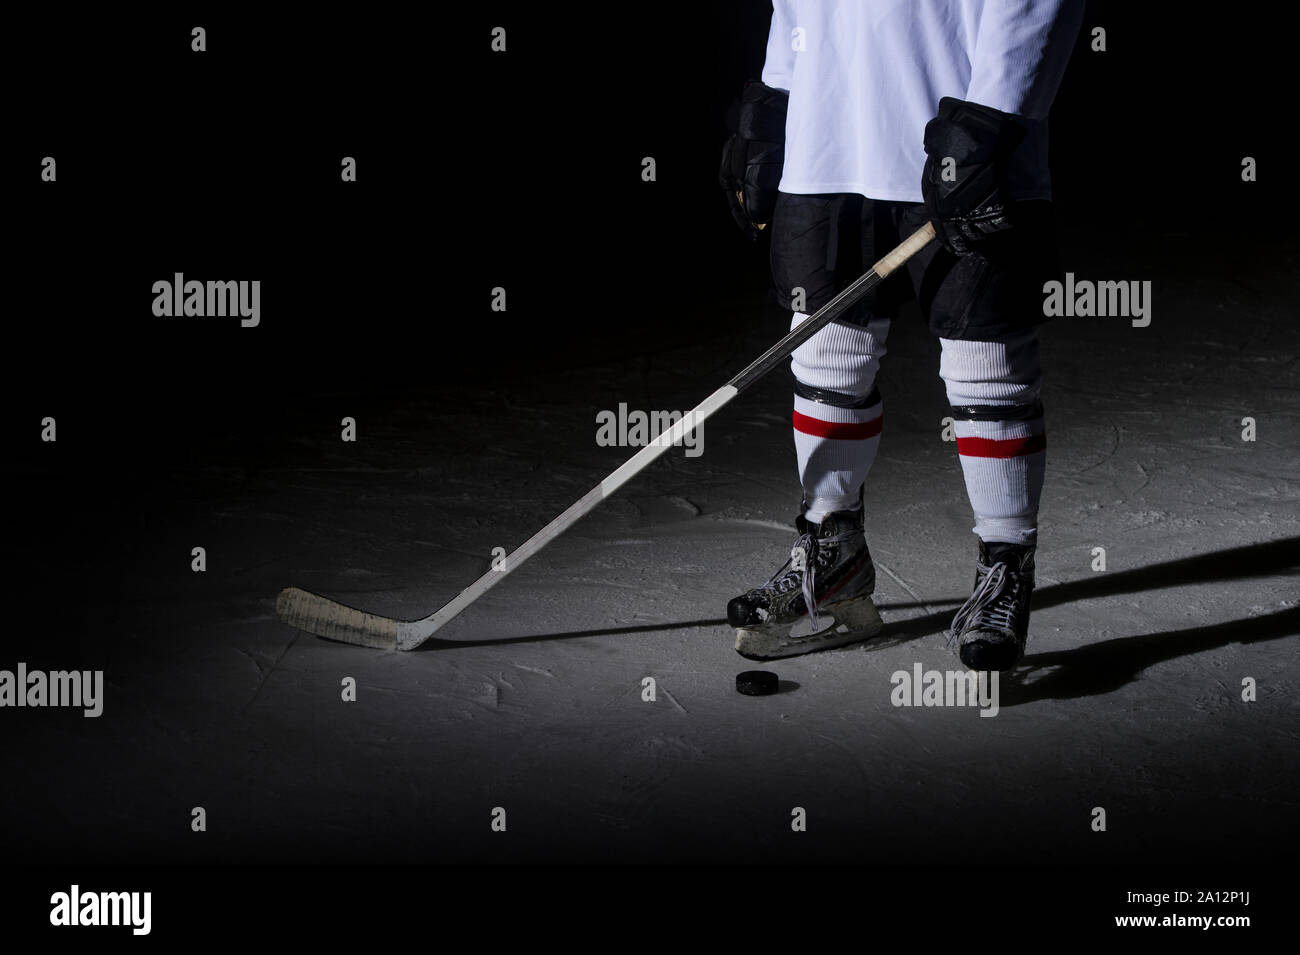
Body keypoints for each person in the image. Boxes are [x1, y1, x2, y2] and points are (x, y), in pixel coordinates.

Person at [719, 0, 1084, 669]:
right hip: (829, 124)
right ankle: (833, 551)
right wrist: (775, 97)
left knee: (984, 352)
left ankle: (1004, 565)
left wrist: (996, 109)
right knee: (824, 344)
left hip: (961, 122)